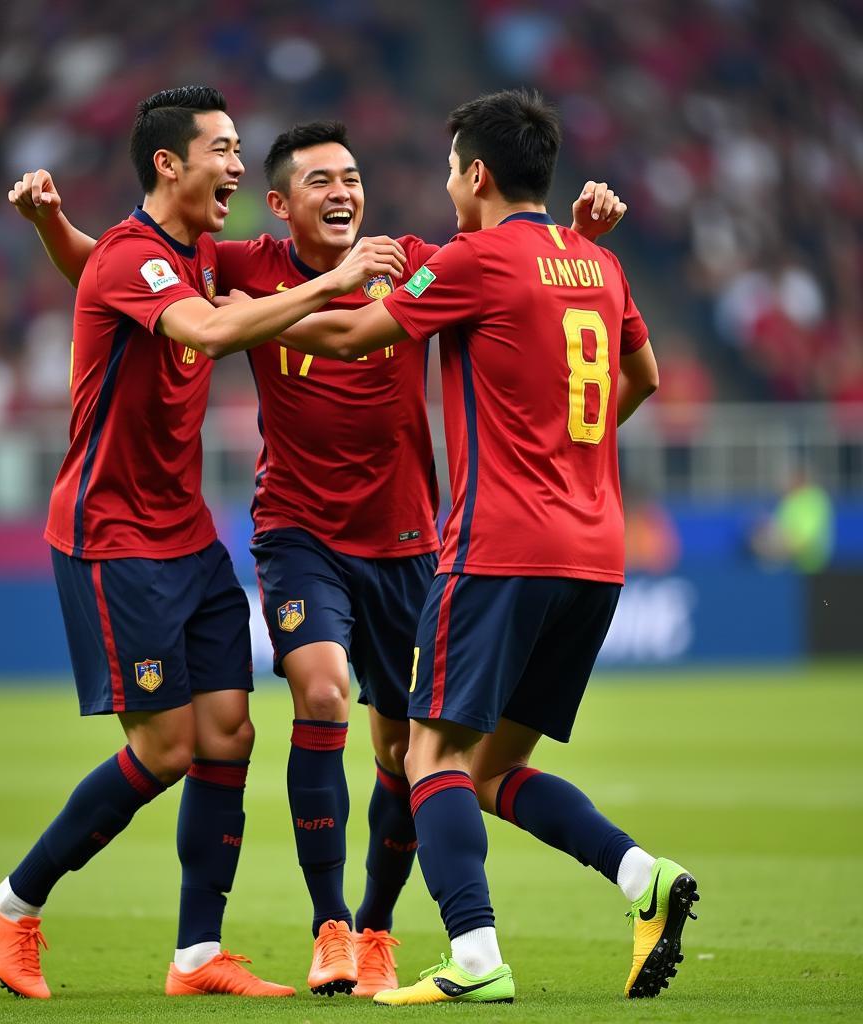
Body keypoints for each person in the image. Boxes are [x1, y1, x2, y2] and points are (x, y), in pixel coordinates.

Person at [10, 122, 627, 997]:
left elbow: (512, 276)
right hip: (297, 532)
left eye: (353, 176)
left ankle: (377, 928)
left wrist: (582, 238)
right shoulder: (243, 266)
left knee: (400, 748)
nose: (343, 192)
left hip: (410, 539)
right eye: (322, 181)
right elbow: (122, 282)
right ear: (281, 204)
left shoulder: (411, 260)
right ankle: (330, 926)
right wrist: (52, 227)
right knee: (323, 689)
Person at [0, 86, 406, 1002]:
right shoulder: (143, 257)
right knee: (167, 747)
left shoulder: (194, 252)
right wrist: (329, 282)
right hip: (109, 536)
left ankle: (197, 955)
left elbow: (97, 269)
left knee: (229, 732)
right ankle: (12, 903)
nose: (240, 166)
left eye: (244, 149)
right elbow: (200, 327)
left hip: (186, 535)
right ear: (170, 162)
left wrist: (53, 227)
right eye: (224, 149)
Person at [274, 89, 698, 1006]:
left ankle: (472, 954)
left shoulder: (474, 260)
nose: (445, 187)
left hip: (499, 549)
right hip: (596, 553)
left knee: (427, 758)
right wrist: (565, 448)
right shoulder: (598, 262)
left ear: (475, 174)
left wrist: (238, 313)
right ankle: (641, 879)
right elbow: (645, 376)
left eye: (448, 170)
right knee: (492, 768)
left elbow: (353, 336)